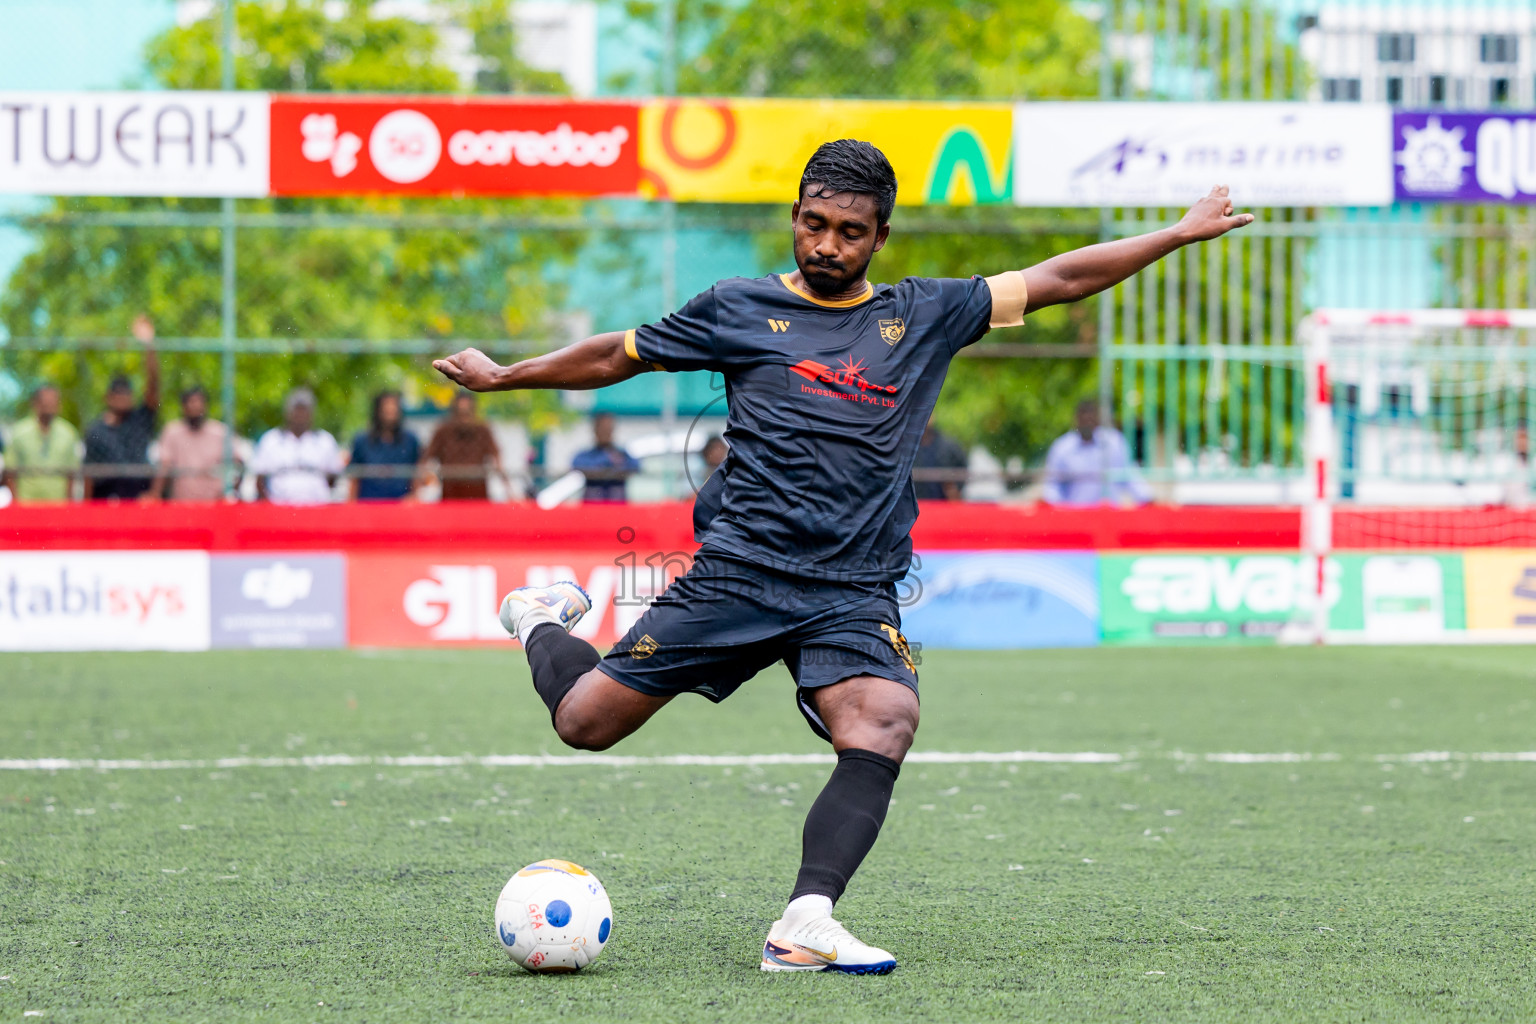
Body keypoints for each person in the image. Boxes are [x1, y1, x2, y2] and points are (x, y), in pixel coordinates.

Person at [433, 140, 1251, 974]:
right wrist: (505, 377)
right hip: (742, 571)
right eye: (814, 224)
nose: (827, 245)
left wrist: (1174, 234)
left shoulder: (927, 313)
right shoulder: (738, 306)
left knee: (885, 720)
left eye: (850, 232)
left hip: (853, 587)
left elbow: (1059, 278)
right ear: (794, 217)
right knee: (584, 723)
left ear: (880, 237)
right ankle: (539, 617)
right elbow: (619, 354)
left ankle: (805, 921)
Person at [82, 314, 160, 500]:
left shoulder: (139, 420)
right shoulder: (95, 430)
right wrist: (86, 509)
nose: (124, 398)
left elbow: (153, 385)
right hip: (105, 501)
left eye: (127, 394)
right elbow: (88, 475)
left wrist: (149, 345)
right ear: (108, 398)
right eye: (119, 394)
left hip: (137, 499)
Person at [1041, 399, 1151, 506]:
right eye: (1083, 418)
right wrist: (1053, 505)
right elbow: (1052, 485)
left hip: (1109, 513)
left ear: (1098, 418)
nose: (1087, 422)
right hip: (1074, 514)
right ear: (1076, 419)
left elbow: (1129, 475)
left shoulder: (1114, 442)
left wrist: (1147, 499)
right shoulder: (1062, 447)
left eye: (1091, 417)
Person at [250, 388, 342, 505]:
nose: (300, 415)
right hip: (279, 508)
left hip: (317, 508)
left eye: (304, 410)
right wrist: (268, 505)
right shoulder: (271, 440)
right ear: (288, 413)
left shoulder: (325, 441)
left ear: (311, 414)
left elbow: (333, 478)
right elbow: (260, 479)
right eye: (297, 410)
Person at [151, 386, 230, 502]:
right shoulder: (172, 432)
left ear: (206, 406)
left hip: (215, 504)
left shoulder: (220, 432)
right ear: (183, 407)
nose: (195, 407)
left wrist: (230, 493)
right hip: (181, 504)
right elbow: (164, 466)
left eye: (199, 402)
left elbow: (238, 465)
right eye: (191, 402)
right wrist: (155, 493)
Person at [4, 384, 82, 503]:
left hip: (58, 505)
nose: (49, 406)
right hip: (27, 505)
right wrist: (16, 504)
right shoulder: (19, 433)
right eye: (45, 402)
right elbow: (10, 472)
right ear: (35, 403)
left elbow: (71, 474)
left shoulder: (68, 433)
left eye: (52, 402)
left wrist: (69, 505)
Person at [419, 391, 503, 501]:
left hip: (477, 493)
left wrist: (509, 489)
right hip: (451, 493)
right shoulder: (443, 431)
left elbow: (496, 459)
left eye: (467, 413)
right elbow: (427, 459)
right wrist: (418, 489)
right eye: (461, 413)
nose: (464, 418)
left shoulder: (482, 431)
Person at [350, 390, 419, 502]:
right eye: (386, 407)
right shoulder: (362, 441)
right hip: (368, 504)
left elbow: (416, 473)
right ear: (378, 410)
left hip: (401, 504)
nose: (390, 410)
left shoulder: (410, 440)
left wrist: (414, 497)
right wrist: (351, 505)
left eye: (394, 407)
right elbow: (354, 477)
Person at [570, 412, 640, 503]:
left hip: (617, 506)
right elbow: (577, 466)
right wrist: (609, 470)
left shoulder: (622, 455)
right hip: (591, 506)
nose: (605, 433)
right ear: (595, 430)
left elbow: (635, 467)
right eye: (602, 429)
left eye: (608, 429)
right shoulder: (584, 456)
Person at [911, 415, 968, 500]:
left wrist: (956, 487)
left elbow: (963, 467)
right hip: (917, 501)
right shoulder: (908, 448)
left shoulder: (948, 445)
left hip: (944, 502)